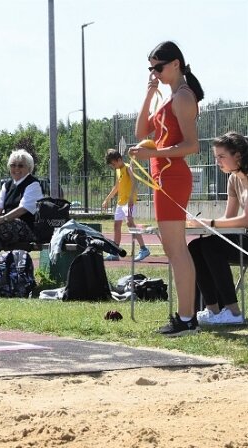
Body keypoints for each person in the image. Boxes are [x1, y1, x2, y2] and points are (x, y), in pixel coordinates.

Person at [129, 41, 205, 337]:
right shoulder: (169, 97)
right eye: (151, 68)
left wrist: (155, 155)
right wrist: (149, 92)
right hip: (163, 178)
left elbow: (192, 145)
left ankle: (187, 319)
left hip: (173, 177)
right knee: (173, 250)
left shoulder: (183, 97)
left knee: (177, 250)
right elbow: (141, 132)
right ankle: (186, 317)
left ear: (176, 64)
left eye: (158, 67)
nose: (155, 73)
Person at [187, 132, 247, 325]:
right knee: (196, 246)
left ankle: (233, 312)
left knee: (212, 247)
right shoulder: (233, 179)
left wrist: (209, 223)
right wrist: (203, 226)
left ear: (237, 155)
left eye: (221, 157)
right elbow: (229, 218)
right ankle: (213, 310)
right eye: (216, 157)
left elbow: (246, 220)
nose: (217, 162)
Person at [101, 149, 150, 262]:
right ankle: (115, 252)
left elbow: (134, 183)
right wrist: (107, 199)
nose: (113, 167)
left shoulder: (128, 168)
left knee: (130, 223)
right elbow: (116, 187)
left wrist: (132, 198)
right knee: (116, 226)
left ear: (119, 160)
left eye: (114, 164)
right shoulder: (118, 170)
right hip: (120, 203)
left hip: (129, 202)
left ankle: (144, 249)